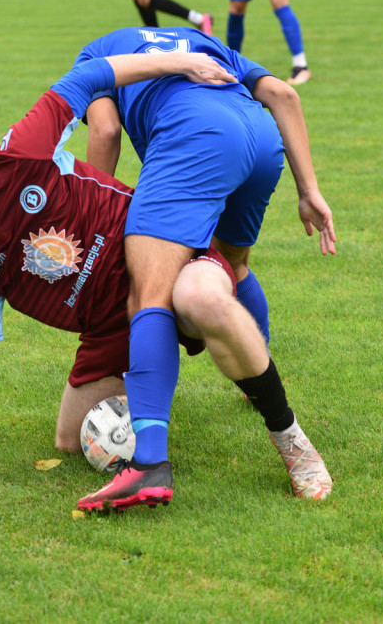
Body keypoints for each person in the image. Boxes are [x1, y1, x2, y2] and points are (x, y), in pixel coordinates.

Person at [0, 50, 331, 509]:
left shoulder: (18, 157)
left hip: (163, 254)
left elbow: (90, 76)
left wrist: (179, 62)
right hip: (111, 327)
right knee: (71, 441)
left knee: (202, 297)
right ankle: (156, 387)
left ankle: (290, 439)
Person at [71, 26, 335, 511]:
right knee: (232, 268)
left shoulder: (96, 53)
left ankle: (147, 465)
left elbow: (105, 129)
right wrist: (309, 190)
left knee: (147, 294)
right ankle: (258, 384)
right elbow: (282, 94)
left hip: (195, 135)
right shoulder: (197, 38)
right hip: (260, 139)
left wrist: (99, 217)